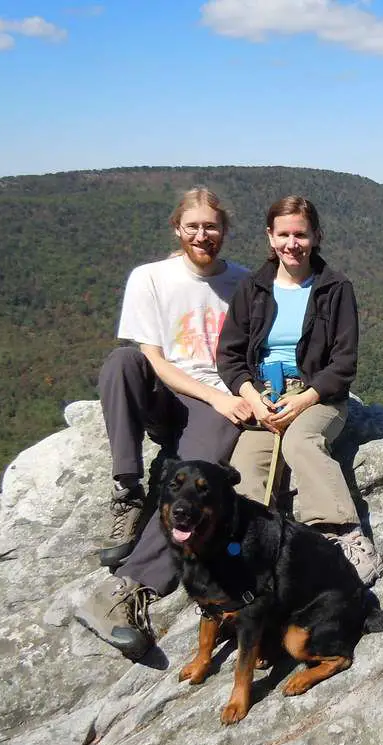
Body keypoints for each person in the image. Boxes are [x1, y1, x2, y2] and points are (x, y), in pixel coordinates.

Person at [74, 187, 251, 659]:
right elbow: (154, 359)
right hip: (169, 392)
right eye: (192, 225)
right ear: (177, 228)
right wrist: (215, 394)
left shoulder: (245, 283)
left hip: (216, 403)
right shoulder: (151, 278)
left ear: (225, 232)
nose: (202, 234)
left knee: (197, 474)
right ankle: (127, 489)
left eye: (211, 226)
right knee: (122, 361)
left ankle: (123, 590)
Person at [217, 195, 383, 585]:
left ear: (316, 236)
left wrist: (305, 399)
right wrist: (251, 397)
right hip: (264, 397)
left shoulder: (334, 288)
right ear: (270, 237)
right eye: (283, 234)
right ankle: (251, 562)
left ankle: (344, 537)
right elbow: (229, 356)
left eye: (301, 234)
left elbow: (343, 365)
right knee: (243, 471)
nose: (292, 243)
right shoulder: (253, 289)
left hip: (318, 396)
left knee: (300, 443)